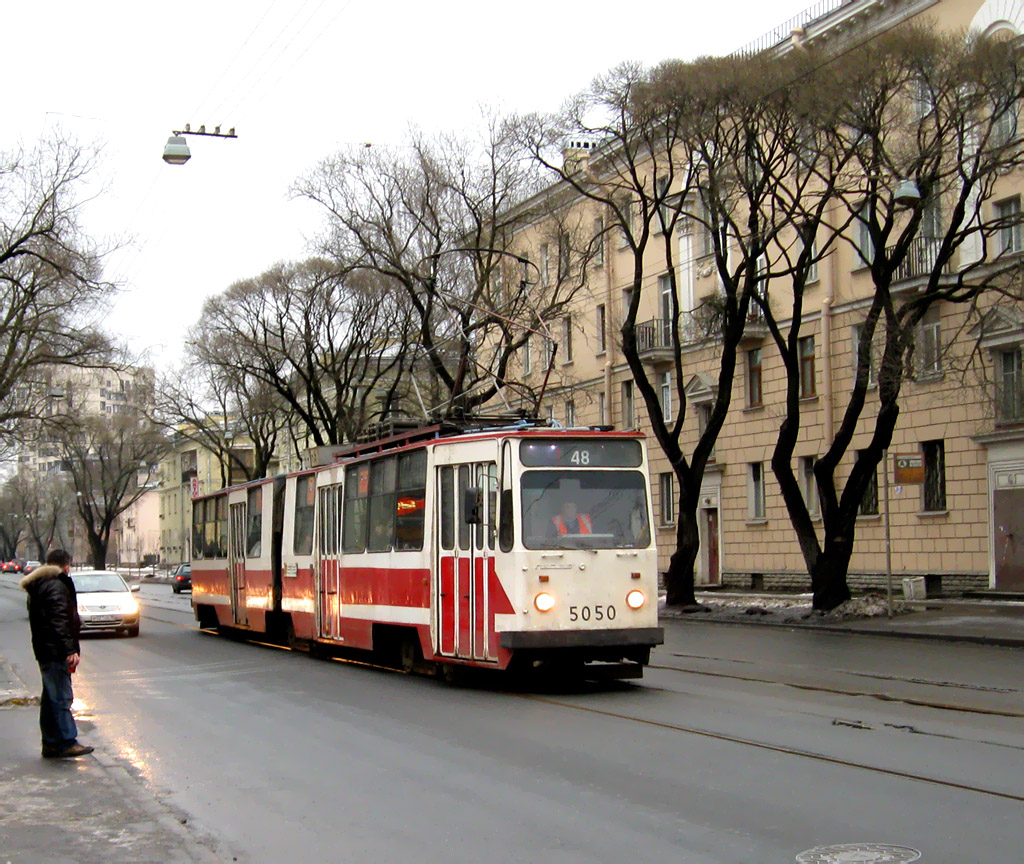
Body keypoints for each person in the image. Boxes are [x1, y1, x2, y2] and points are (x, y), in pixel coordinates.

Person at [20, 549, 93, 759]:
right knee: (61, 697)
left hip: (45, 649)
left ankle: (51, 742)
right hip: (55, 651)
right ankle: (66, 741)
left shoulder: (41, 584)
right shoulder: (56, 585)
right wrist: (70, 649)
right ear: (66, 565)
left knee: (51, 698)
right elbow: (59, 620)